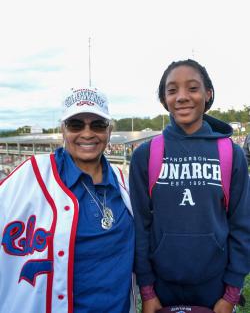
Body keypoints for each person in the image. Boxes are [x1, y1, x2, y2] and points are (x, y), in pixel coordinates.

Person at [129, 59, 250, 313]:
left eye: (192, 88)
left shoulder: (230, 153)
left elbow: (242, 226)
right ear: (164, 99)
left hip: (214, 288)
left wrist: (230, 294)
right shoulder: (146, 155)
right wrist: (147, 291)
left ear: (208, 94)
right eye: (172, 90)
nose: (182, 97)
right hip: (162, 289)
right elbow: (141, 226)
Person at [0, 87, 135, 313]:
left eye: (98, 124)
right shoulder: (30, 175)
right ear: (63, 129)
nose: (87, 133)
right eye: (76, 124)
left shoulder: (124, 183)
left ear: (109, 131)